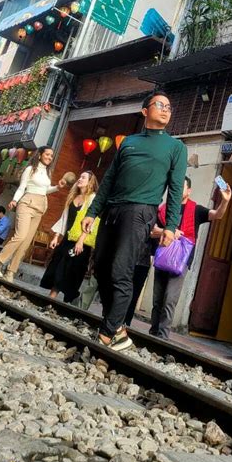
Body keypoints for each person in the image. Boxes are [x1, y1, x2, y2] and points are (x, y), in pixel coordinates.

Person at [82, 90, 187, 351]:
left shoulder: (176, 147)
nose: (165, 109)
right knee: (102, 268)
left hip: (140, 212)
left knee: (121, 270)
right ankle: (117, 327)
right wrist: (92, 211)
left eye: (169, 107)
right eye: (159, 105)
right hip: (112, 209)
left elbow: (175, 190)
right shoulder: (128, 142)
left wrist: (171, 226)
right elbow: (108, 180)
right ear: (145, 111)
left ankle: (106, 333)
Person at [149, 177, 232, 339]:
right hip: (162, 256)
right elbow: (152, 230)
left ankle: (162, 337)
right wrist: (168, 231)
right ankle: (153, 333)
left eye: (182, 187)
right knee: (157, 300)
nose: (178, 189)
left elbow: (217, 215)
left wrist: (225, 201)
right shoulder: (163, 209)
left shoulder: (196, 210)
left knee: (170, 300)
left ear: (189, 191)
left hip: (180, 261)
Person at [0, 146, 67, 282]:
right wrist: (14, 200)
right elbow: (22, 187)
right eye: (47, 154)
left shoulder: (48, 172)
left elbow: (44, 190)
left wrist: (57, 187)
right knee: (20, 236)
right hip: (27, 203)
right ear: (39, 155)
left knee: (25, 243)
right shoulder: (30, 169)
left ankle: (11, 272)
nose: (50, 157)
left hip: (40, 206)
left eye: (51, 155)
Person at [40, 171, 100, 303]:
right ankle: (51, 299)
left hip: (81, 242)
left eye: (83, 177)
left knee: (74, 271)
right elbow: (64, 218)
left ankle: (69, 299)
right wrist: (56, 236)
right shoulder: (73, 197)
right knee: (58, 266)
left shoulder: (92, 198)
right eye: (80, 176)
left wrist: (81, 241)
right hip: (68, 238)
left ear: (90, 181)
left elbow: (92, 221)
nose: (80, 179)